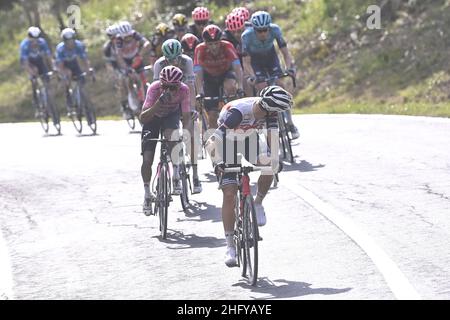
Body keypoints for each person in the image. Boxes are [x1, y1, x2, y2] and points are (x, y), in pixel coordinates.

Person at [205, 85, 293, 267]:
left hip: (248, 138)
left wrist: (274, 159)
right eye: (275, 112)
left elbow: (272, 138)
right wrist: (218, 163)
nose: (276, 115)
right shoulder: (238, 113)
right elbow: (211, 141)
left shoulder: (270, 112)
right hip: (226, 142)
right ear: (266, 107)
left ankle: (258, 203)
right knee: (229, 194)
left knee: (270, 165)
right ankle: (230, 247)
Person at [139, 66, 192, 216]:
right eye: (165, 86)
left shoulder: (184, 90)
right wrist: (158, 104)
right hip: (152, 119)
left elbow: (186, 117)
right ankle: (147, 194)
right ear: (161, 84)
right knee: (147, 160)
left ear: (179, 84)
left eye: (173, 87)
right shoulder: (155, 89)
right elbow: (143, 118)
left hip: (171, 116)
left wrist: (186, 133)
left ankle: (175, 174)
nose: (169, 90)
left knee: (172, 136)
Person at [153, 39, 202, 193]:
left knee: (192, 134)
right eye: (169, 59)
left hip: (184, 96)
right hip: (168, 100)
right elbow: (156, 90)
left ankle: (195, 175)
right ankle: (173, 166)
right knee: (169, 136)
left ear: (181, 54)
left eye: (175, 58)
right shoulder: (159, 65)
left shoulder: (186, 62)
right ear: (164, 57)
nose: (173, 62)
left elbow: (191, 88)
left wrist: (192, 109)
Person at [241, 11, 300, 139]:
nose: (263, 33)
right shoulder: (246, 36)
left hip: (271, 57)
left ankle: (290, 123)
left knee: (280, 85)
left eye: (265, 30)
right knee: (262, 87)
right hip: (255, 61)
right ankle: (267, 120)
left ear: (269, 27)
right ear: (254, 28)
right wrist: (252, 76)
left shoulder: (275, 30)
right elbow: (246, 62)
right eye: (259, 30)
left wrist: (289, 68)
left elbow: (285, 52)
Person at [194, 24, 244, 129]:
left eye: (216, 43)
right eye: (210, 44)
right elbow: (197, 73)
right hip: (209, 78)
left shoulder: (227, 45)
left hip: (225, 73)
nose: (214, 47)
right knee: (212, 116)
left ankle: (234, 112)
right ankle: (214, 142)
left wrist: (240, 87)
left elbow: (237, 68)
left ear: (220, 41)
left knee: (230, 87)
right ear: (205, 42)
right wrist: (200, 91)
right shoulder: (200, 49)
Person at [55, 28, 93, 117]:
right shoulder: (60, 49)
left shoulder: (79, 45)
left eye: (72, 40)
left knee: (81, 81)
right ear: (64, 41)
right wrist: (63, 76)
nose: (70, 43)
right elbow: (60, 66)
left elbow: (85, 60)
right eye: (68, 41)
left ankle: (83, 101)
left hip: (74, 64)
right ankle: (70, 105)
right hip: (63, 65)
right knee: (67, 79)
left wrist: (88, 70)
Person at [115, 21, 151, 113]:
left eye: (129, 36)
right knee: (130, 79)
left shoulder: (135, 34)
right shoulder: (118, 40)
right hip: (126, 61)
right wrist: (126, 67)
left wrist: (140, 54)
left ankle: (145, 95)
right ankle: (133, 97)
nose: (128, 38)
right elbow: (119, 56)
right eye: (126, 37)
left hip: (137, 57)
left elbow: (147, 43)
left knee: (143, 78)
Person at [19, 26, 56, 118]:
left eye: (36, 39)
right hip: (29, 63)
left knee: (47, 82)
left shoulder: (42, 43)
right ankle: (37, 106)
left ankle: (49, 104)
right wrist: (31, 73)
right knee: (34, 80)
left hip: (39, 62)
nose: (34, 42)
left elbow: (49, 57)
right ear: (29, 37)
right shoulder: (24, 45)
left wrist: (54, 67)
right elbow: (25, 63)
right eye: (32, 39)